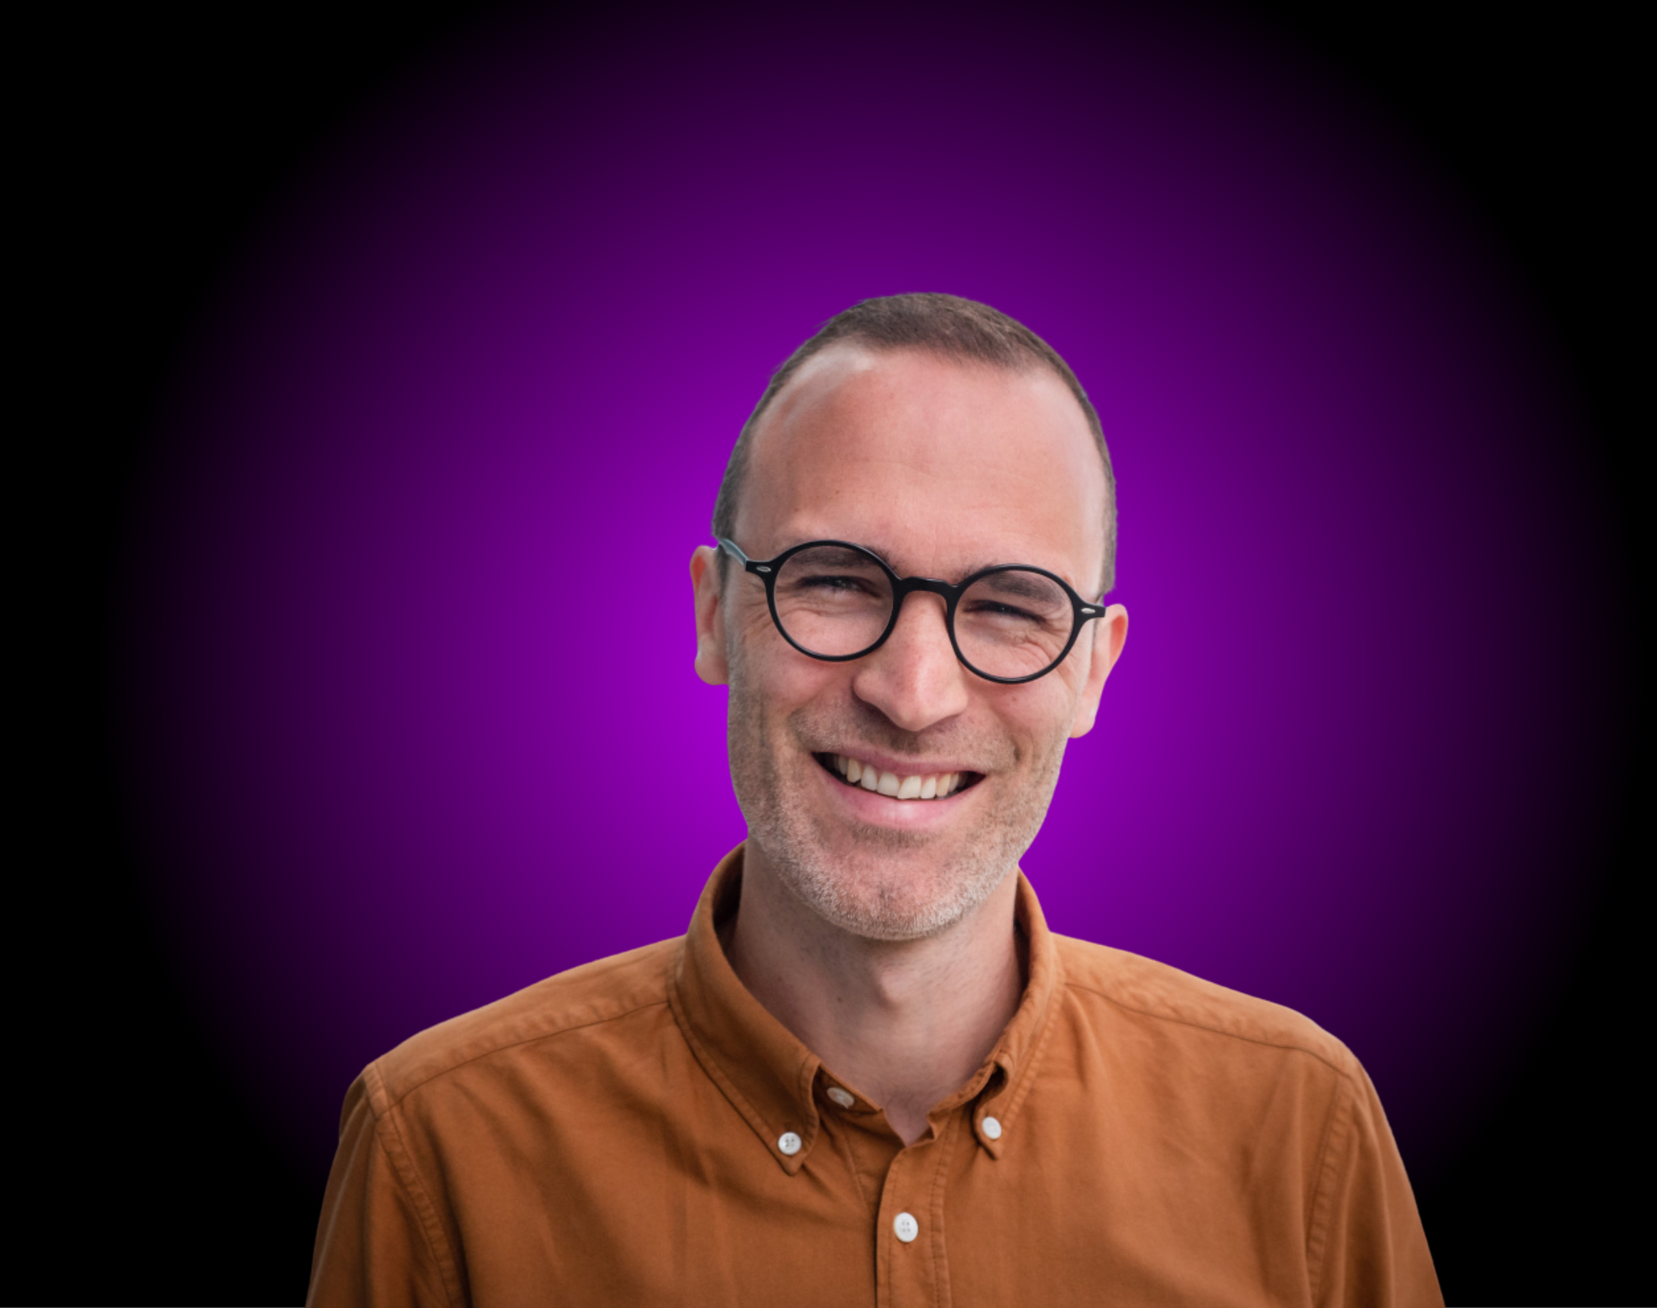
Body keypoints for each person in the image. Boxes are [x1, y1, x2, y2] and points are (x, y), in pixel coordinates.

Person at [306, 293, 1442, 1306]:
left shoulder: (1300, 1130)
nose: (912, 694)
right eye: (839, 581)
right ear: (713, 615)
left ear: (1094, 671)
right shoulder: (440, 1148)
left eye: (1009, 605)